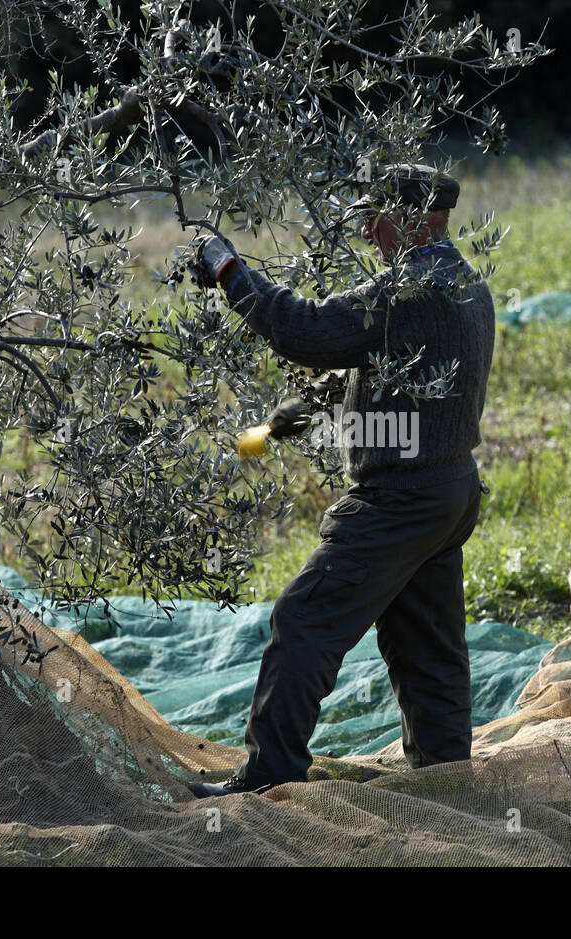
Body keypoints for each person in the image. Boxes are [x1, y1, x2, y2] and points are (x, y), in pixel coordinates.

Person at [187, 164, 495, 797]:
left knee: (303, 622)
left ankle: (268, 779)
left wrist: (228, 270)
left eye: (371, 214)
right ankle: (447, 782)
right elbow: (396, 368)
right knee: (427, 649)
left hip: (399, 501)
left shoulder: (406, 293)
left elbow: (306, 331)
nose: (362, 226)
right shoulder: (465, 284)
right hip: (449, 493)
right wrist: (300, 414)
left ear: (407, 219)